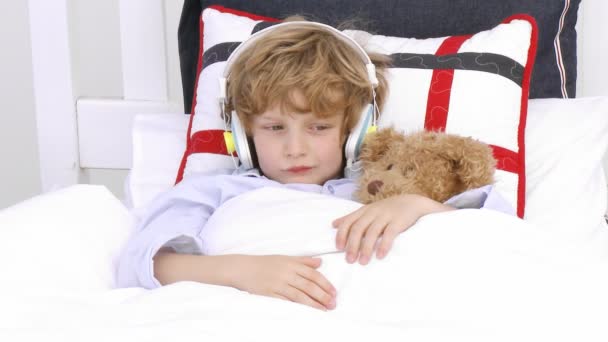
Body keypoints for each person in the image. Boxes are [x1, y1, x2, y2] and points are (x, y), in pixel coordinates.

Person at [116, 20, 513, 312]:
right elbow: (143, 264)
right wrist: (242, 272)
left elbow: (502, 234)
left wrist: (417, 207)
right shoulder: (213, 192)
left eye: (319, 127)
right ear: (242, 134)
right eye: (274, 128)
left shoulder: (380, 188)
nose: (295, 149)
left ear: (354, 131)